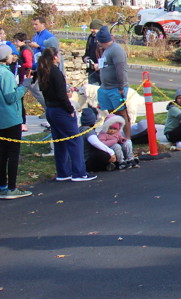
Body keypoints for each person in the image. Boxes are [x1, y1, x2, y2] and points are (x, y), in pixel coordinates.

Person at [36, 47, 95, 183]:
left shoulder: (42, 71)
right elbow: (61, 95)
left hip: (50, 109)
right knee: (75, 141)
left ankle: (63, 172)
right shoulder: (56, 73)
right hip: (61, 110)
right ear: (55, 57)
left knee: (60, 142)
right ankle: (79, 172)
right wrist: (70, 110)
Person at [0, 44, 30, 199]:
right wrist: (24, 87)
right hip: (11, 118)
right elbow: (11, 97)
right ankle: (11, 188)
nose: (13, 56)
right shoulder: (5, 74)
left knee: (2, 154)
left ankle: (2, 186)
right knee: (12, 154)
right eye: (11, 54)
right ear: (6, 57)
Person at [96, 25, 131, 140]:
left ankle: (128, 138)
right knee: (112, 115)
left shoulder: (116, 50)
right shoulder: (107, 50)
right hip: (106, 88)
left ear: (101, 40)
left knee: (122, 114)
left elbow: (120, 70)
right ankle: (116, 137)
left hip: (116, 89)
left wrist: (121, 87)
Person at [84, 19, 103, 85]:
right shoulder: (90, 38)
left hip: (103, 72)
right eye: (91, 28)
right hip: (92, 71)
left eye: (94, 28)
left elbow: (109, 57)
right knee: (92, 90)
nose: (91, 30)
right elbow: (87, 53)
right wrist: (85, 58)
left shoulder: (105, 39)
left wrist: (99, 65)